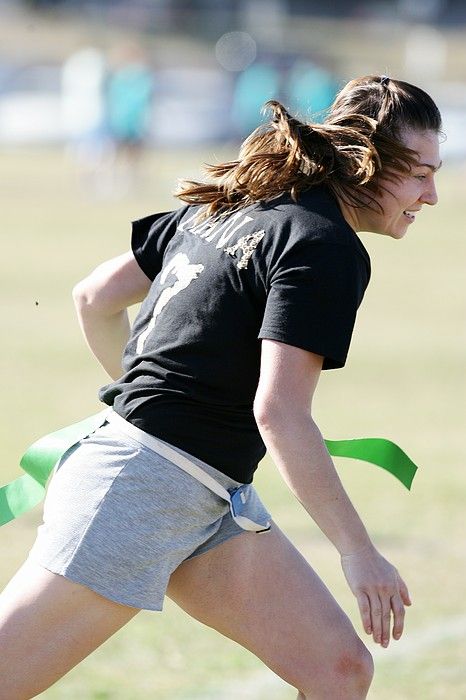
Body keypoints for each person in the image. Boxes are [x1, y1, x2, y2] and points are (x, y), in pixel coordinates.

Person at [0, 74, 442, 699]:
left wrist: (149, 396)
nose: (432, 195)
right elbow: (281, 414)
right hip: (137, 494)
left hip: (209, 496)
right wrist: (358, 552)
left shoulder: (234, 198)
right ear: (367, 160)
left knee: (338, 670)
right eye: (420, 173)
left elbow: (94, 297)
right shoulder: (327, 247)